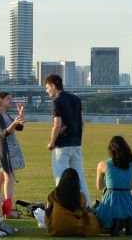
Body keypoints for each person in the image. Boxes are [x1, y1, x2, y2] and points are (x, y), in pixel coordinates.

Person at [45, 74, 91, 206]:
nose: (46, 90)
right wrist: (77, 138)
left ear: (53, 86)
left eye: (47, 87)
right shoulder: (76, 99)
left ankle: (63, 207)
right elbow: (82, 123)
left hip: (62, 145)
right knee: (79, 177)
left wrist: (52, 141)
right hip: (76, 144)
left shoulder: (56, 101)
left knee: (61, 178)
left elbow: (57, 124)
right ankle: (87, 205)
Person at [0, 92, 26, 218]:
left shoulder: (5, 114)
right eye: (8, 99)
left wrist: (20, 115)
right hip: (4, 150)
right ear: (0, 100)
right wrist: (15, 123)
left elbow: (19, 128)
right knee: (9, 178)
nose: (11, 100)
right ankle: (7, 211)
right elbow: (4, 133)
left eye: (11, 98)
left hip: (11, 149)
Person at [95, 136, 132, 236]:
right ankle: (126, 223)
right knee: (124, 210)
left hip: (111, 200)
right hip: (127, 203)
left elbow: (99, 187)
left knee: (96, 209)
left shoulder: (103, 164)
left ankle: (115, 223)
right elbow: (131, 187)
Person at [44, 168, 102, 236]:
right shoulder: (81, 197)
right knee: (93, 218)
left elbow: (48, 211)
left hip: (56, 228)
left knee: (48, 210)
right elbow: (83, 212)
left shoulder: (54, 194)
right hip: (76, 228)